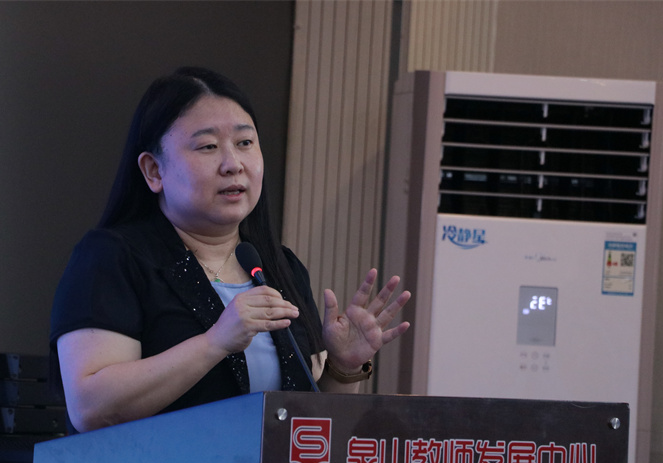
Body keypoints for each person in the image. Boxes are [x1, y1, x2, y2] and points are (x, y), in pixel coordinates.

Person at [50, 66, 411, 434]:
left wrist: (344, 367)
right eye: (208, 146)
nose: (233, 164)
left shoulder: (278, 266)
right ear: (154, 170)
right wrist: (215, 343)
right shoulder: (112, 258)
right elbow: (91, 408)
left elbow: (309, 422)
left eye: (245, 143)